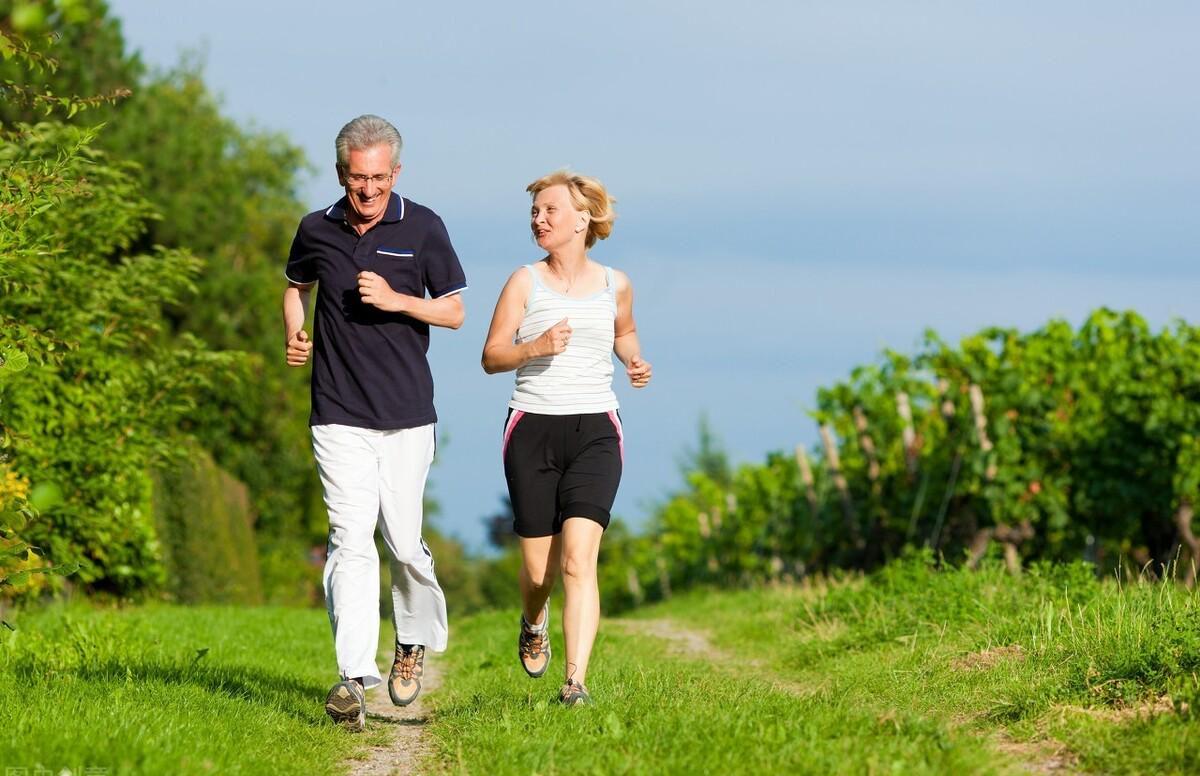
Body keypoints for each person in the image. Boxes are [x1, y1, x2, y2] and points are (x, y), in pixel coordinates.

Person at [282, 114, 467, 731]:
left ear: (396, 172)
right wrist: (295, 330)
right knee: (349, 536)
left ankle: (410, 641)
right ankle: (352, 677)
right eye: (358, 179)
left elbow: (456, 312)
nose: (368, 192)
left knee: (404, 541)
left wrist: (397, 301)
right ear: (341, 173)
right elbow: (293, 285)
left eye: (379, 179)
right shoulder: (315, 228)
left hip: (407, 415)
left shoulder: (424, 226)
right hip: (337, 412)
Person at [481, 171, 652, 706]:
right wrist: (535, 347)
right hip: (532, 425)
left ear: (583, 219)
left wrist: (633, 360)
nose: (539, 219)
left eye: (549, 210)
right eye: (534, 212)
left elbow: (623, 331)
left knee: (579, 559)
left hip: (596, 427)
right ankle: (534, 620)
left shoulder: (615, 284)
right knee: (539, 571)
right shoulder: (524, 282)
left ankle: (574, 683)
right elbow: (492, 356)